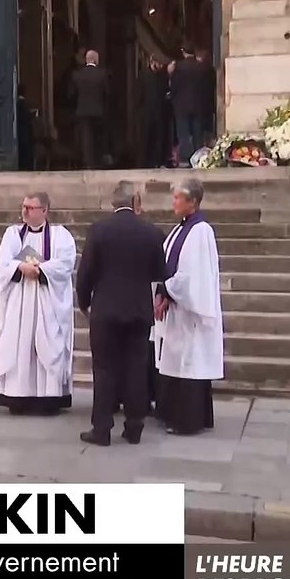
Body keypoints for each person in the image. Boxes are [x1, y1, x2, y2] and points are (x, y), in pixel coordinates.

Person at [75, 180, 168, 445]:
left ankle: (102, 428)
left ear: (113, 203)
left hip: (105, 309)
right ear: (136, 202)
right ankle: (134, 426)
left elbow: (86, 272)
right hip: (139, 309)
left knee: (104, 369)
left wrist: (84, 301)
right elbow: (160, 272)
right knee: (136, 368)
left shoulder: (99, 231)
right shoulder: (151, 232)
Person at [0, 192, 78, 416]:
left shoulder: (61, 235)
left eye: (30, 207)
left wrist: (40, 270)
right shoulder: (12, 234)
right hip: (20, 303)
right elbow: (2, 264)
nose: (25, 211)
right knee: (19, 344)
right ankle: (17, 396)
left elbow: (66, 263)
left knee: (48, 344)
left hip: (47, 303)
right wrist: (20, 269)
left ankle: (48, 398)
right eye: (23, 207)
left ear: (44, 210)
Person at [155, 177, 222, 435]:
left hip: (190, 311)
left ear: (192, 202)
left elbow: (192, 276)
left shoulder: (200, 231)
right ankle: (174, 414)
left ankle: (188, 420)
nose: (174, 202)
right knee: (178, 361)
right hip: (177, 308)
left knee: (190, 363)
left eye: (177, 198)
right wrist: (162, 291)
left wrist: (167, 291)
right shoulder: (181, 228)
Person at [70, 49, 111, 169]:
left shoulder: (77, 75)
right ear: (96, 60)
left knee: (86, 137)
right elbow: (108, 93)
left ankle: (88, 163)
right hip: (99, 110)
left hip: (82, 111)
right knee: (98, 136)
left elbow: (71, 94)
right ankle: (98, 162)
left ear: (86, 60)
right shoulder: (103, 74)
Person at [170, 45, 208, 165]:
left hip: (182, 107)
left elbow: (174, 88)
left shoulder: (178, 67)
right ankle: (199, 160)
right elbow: (206, 88)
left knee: (184, 135)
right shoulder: (201, 67)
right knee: (198, 134)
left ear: (183, 52)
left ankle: (185, 160)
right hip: (198, 106)